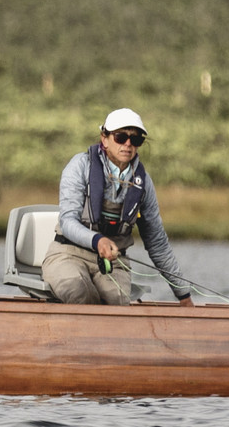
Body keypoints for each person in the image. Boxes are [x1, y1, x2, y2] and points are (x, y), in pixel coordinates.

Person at [43, 106, 198, 305]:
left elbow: (157, 243)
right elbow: (67, 222)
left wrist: (183, 295)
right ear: (104, 139)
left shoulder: (144, 184)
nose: (128, 144)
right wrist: (97, 241)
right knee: (80, 292)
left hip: (113, 264)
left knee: (116, 302)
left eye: (135, 139)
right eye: (120, 137)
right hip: (67, 254)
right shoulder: (79, 166)